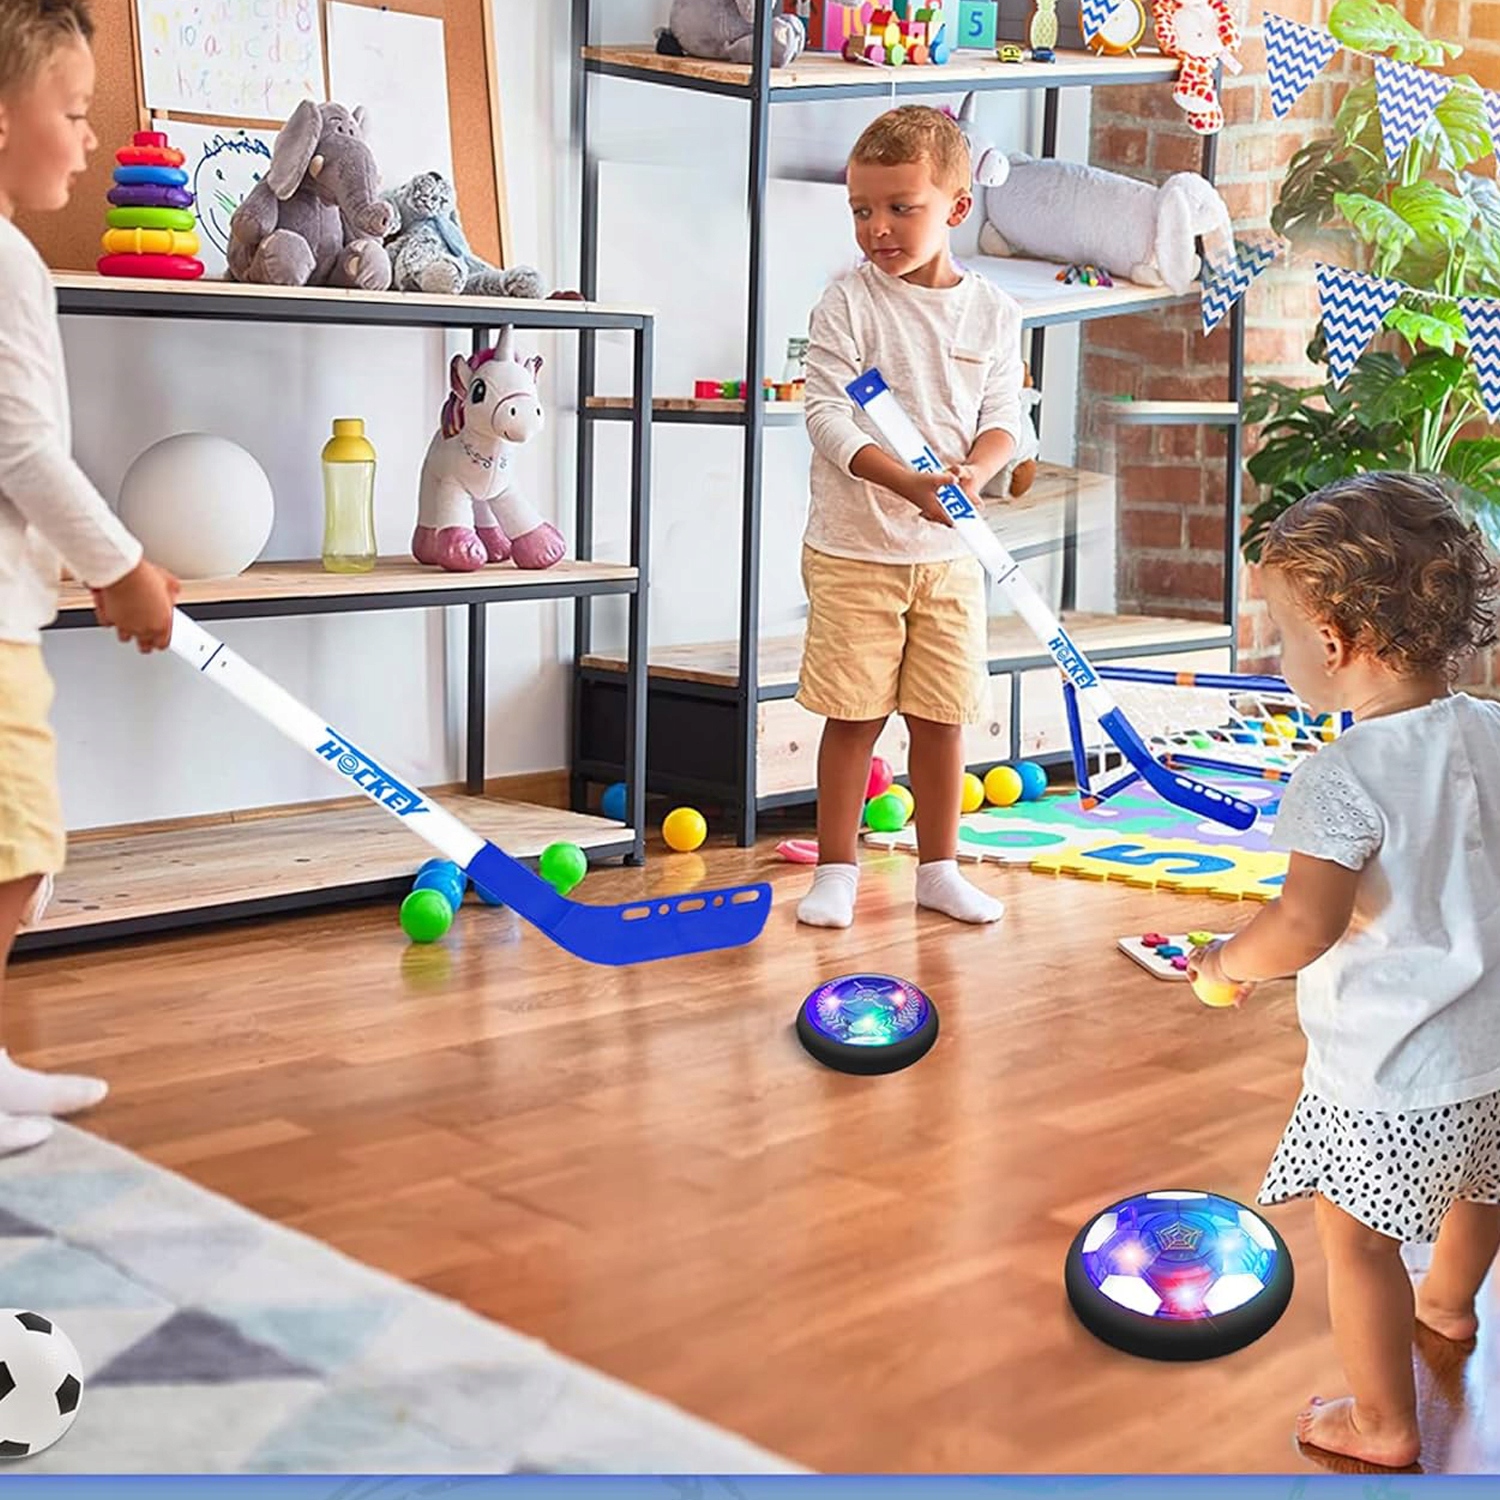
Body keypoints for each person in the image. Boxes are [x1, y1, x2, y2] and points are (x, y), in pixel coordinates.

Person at [1188, 473, 1500, 1468]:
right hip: (1495, 1049)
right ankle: (1450, 1305)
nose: (1282, 654)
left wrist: (1224, 964)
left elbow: (1304, 923)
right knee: (1482, 1186)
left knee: (1358, 1240)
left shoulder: (1340, 775)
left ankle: (1384, 1423)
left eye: (1282, 635)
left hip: (1392, 1069)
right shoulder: (1494, 730)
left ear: (1332, 643)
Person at [1, 0, 180, 1154]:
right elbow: (22, 448)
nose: (90, 138)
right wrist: (124, 568)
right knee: (16, 852)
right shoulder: (5, 260)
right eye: (72, 112)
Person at [795, 103, 1023, 930]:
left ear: (957, 207)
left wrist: (975, 470)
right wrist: (905, 483)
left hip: (950, 557)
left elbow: (1007, 419)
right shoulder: (847, 304)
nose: (877, 228)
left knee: (942, 716)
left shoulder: (994, 313)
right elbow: (826, 417)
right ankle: (836, 871)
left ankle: (939, 870)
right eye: (861, 209)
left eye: (901, 207)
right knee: (853, 715)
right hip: (856, 550)